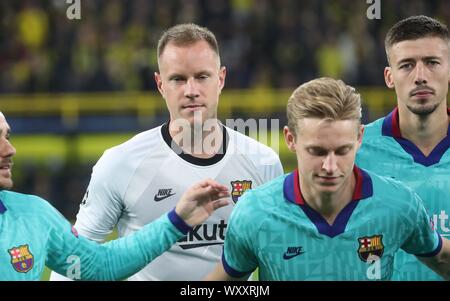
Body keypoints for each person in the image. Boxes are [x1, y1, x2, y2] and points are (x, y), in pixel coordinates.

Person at [51, 23, 283, 281]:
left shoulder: (262, 162)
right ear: (160, 85)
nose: (191, 90)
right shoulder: (121, 163)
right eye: (178, 79)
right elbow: (75, 262)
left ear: (221, 79)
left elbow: (277, 260)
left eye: (202, 76)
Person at [204, 77, 450, 281]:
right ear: (291, 139)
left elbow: (440, 258)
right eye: (317, 151)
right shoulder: (255, 212)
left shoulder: (399, 204)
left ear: (359, 137)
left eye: (342, 151)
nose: (330, 167)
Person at [0, 111, 230, 280]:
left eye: (7, 136)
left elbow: (99, 265)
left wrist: (177, 222)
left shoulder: (33, 216)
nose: (9, 149)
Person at [355, 15, 450, 281]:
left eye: (432, 63)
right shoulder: (355, 151)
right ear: (389, 76)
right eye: (407, 65)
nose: (420, 76)